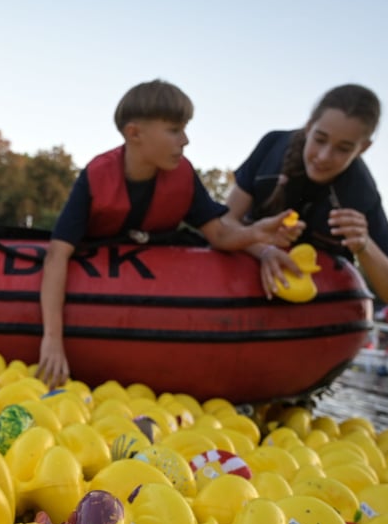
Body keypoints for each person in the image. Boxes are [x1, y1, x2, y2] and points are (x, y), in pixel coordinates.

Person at [37, 80, 302, 387]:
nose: (186, 140)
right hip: (99, 276)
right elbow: (58, 253)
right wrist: (52, 340)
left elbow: (219, 234)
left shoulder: (183, 177)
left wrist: (257, 234)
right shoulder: (96, 177)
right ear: (135, 133)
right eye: (175, 130)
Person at [226, 84, 388, 307]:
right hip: (241, 286)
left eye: (343, 148)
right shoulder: (272, 147)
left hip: (318, 309)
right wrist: (264, 249)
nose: (324, 157)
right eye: (320, 139)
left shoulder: (360, 194)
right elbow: (223, 222)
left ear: (363, 148)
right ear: (308, 127)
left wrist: (363, 245)